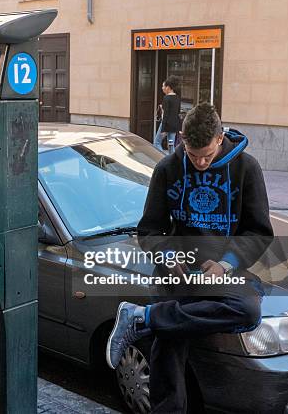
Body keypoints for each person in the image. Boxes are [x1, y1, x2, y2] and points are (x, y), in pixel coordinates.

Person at [106, 103, 273, 413]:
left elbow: (260, 232)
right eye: (193, 154)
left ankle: (143, 317)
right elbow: (149, 230)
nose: (199, 162)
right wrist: (168, 254)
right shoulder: (167, 168)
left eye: (207, 156)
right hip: (178, 272)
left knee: (247, 310)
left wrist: (226, 264)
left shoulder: (246, 168)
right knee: (168, 344)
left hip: (221, 273)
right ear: (181, 137)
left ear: (221, 138)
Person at [154, 75, 181, 153]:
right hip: (174, 124)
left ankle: (164, 158)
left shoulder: (166, 98)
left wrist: (163, 129)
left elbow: (165, 115)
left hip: (166, 123)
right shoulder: (177, 98)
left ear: (168, 87)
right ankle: (171, 160)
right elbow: (177, 112)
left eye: (163, 86)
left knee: (156, 142)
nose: (162, 88)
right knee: (171, 145)